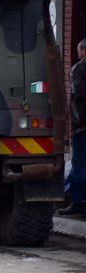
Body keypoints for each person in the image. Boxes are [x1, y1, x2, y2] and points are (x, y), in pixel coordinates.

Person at [58, 39, 86, 215]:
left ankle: (78, 202)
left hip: (82, 126)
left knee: (80, 164)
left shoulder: (78, 68)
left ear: (83, 50)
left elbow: (79, 92)